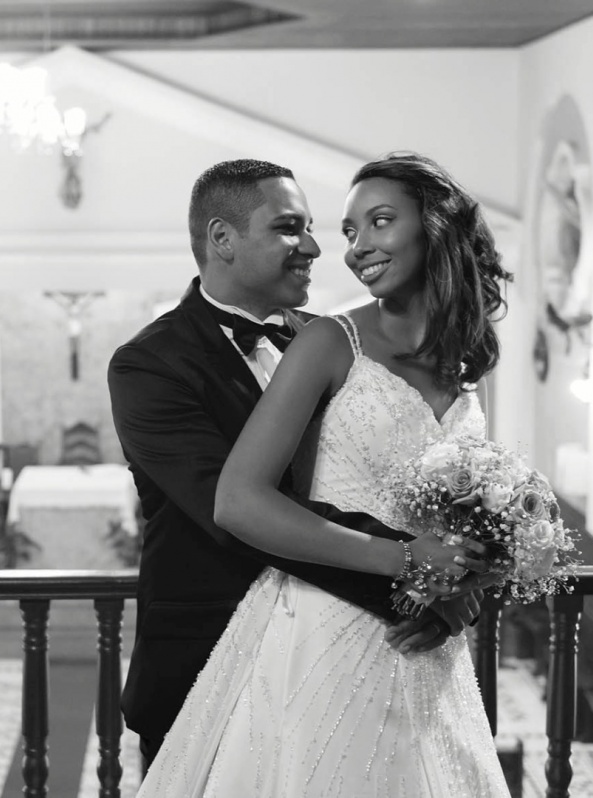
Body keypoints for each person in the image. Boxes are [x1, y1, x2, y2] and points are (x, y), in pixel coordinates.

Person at [137, 153, 514, 796]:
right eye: (298, 228)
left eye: (375, 223)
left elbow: (457, 501)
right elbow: (233, 506)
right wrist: (414, 568)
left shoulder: (451, 358)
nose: (333, 248)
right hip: (292, 629)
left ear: (437, 230)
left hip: (419, 634)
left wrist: (466, 578)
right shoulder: (156, 363)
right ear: (221, 240)